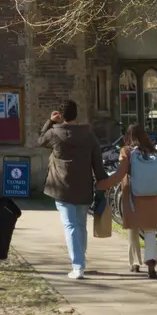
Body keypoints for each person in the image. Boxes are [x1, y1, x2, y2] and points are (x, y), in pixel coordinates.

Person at [38, 100, 107, 280]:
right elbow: (97, 161)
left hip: (61, 186)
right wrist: (102, 180)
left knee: (70, 226)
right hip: (83, 185)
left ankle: (78, 266)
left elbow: (40, 140)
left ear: (61, 115)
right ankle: (80, 260)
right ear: (77, 114)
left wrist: (51, 121)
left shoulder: (54, 133)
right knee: (80, 224)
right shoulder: (89, 134)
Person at [103, 123, 157, 277]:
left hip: (133, 195)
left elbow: (120, 173)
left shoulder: (127, 151)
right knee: (150, 229)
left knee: (133, 229)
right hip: (152, 195)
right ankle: (151, 262)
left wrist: (103, 184)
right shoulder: (152, 151)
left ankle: (135, 262)